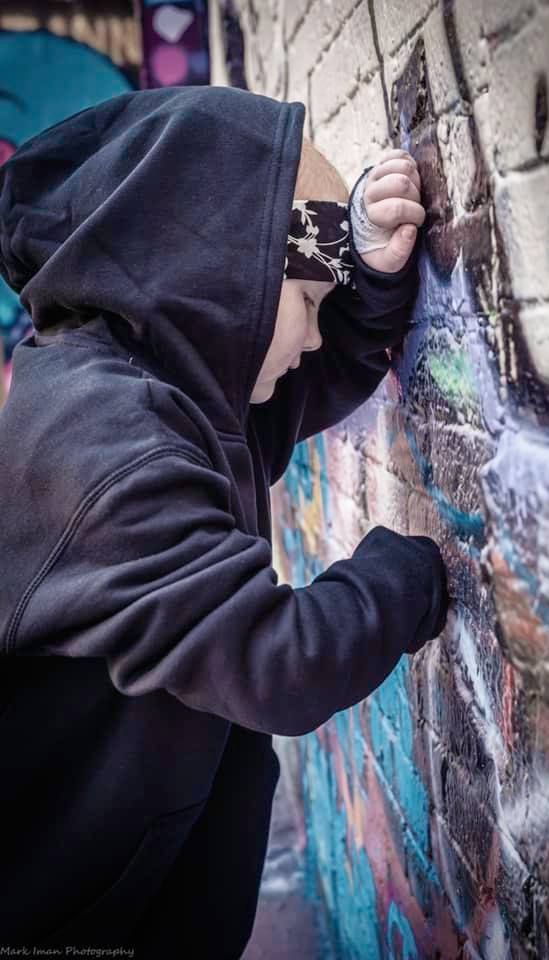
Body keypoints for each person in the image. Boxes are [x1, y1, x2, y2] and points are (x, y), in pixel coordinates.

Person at [0, 85, 448, 958]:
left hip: (131, 883)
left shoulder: (155, 380)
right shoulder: (105, 450)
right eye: (309, 305)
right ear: (221, 286)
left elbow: (299, 384)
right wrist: (414, 576)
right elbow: (278, 662)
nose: (313, 336)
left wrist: (361, 269)